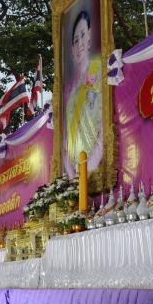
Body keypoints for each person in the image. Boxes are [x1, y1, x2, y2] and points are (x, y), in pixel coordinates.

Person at [64, 10, 103, 178]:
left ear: (89, 37)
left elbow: (104, 126)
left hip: (95, 166)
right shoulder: (71, 97)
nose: (79, 43)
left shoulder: (100, 71)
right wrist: (73, 178)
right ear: (72, 48)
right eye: (75, 40)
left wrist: (91, 166)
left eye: (82, 35)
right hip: (76, 175)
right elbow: (66, 147)